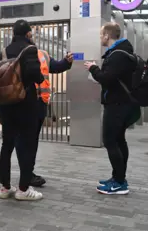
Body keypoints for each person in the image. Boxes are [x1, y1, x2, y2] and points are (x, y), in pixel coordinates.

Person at [84, 22, 140, 195]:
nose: (100, 38)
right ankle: (118, 177)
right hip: (123, 104)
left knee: (110, 141)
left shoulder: (117, 55)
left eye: (101, 35)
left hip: (117, 105)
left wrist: (93, 68)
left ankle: (119, 182)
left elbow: (106, 79)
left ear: (107, 36)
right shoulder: (122, 52)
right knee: (119, 140)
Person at [0, 20, 45, 201]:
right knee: (27, 145)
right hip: (25, 104)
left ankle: (5, 187)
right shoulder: (29, 50)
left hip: (6, 104)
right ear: (28, 34)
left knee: (6, 145)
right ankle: (23, 189)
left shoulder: (3, 52)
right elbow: (35, 75)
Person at [30, 49, 74, 187]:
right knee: (22, 140)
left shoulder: (43, 54)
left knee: (32, 140)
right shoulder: (16, 52)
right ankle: (13, 179)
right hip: (24, 103)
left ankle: (27, 172)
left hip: (40, 103)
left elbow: (56, 66)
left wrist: (66, 61)